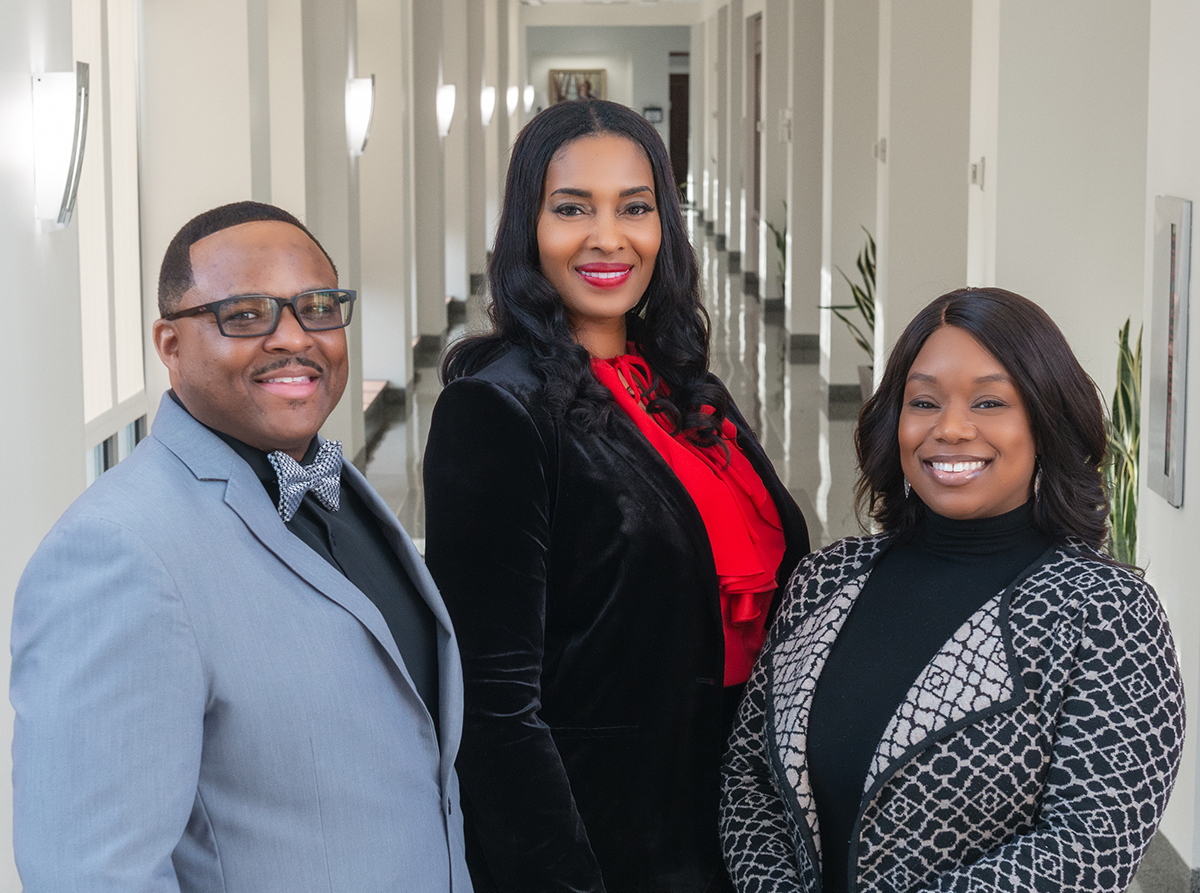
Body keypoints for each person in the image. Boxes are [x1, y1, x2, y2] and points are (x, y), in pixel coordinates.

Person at [11, 201, 472, 893]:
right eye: (246, 315)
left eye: (318, 307)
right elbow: (94, 873)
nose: (295, 338)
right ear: (170, 345)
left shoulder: (335, 484)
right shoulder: (117, 552)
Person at [423, 99, 810, 893]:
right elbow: (495, 710)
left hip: (740, 828)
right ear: (528, 226)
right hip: (612, 842)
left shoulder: (684, 389)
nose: (608, 237)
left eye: (635, 207)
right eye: (572, 209)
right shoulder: (496, 408)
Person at [721, 287, 1185, 893]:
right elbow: (748, 778)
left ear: (1045, 422)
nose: (952, 428)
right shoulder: (824, 581)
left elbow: (1085, 852)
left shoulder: (1106, 614)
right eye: (924, 402)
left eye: (990, 401)